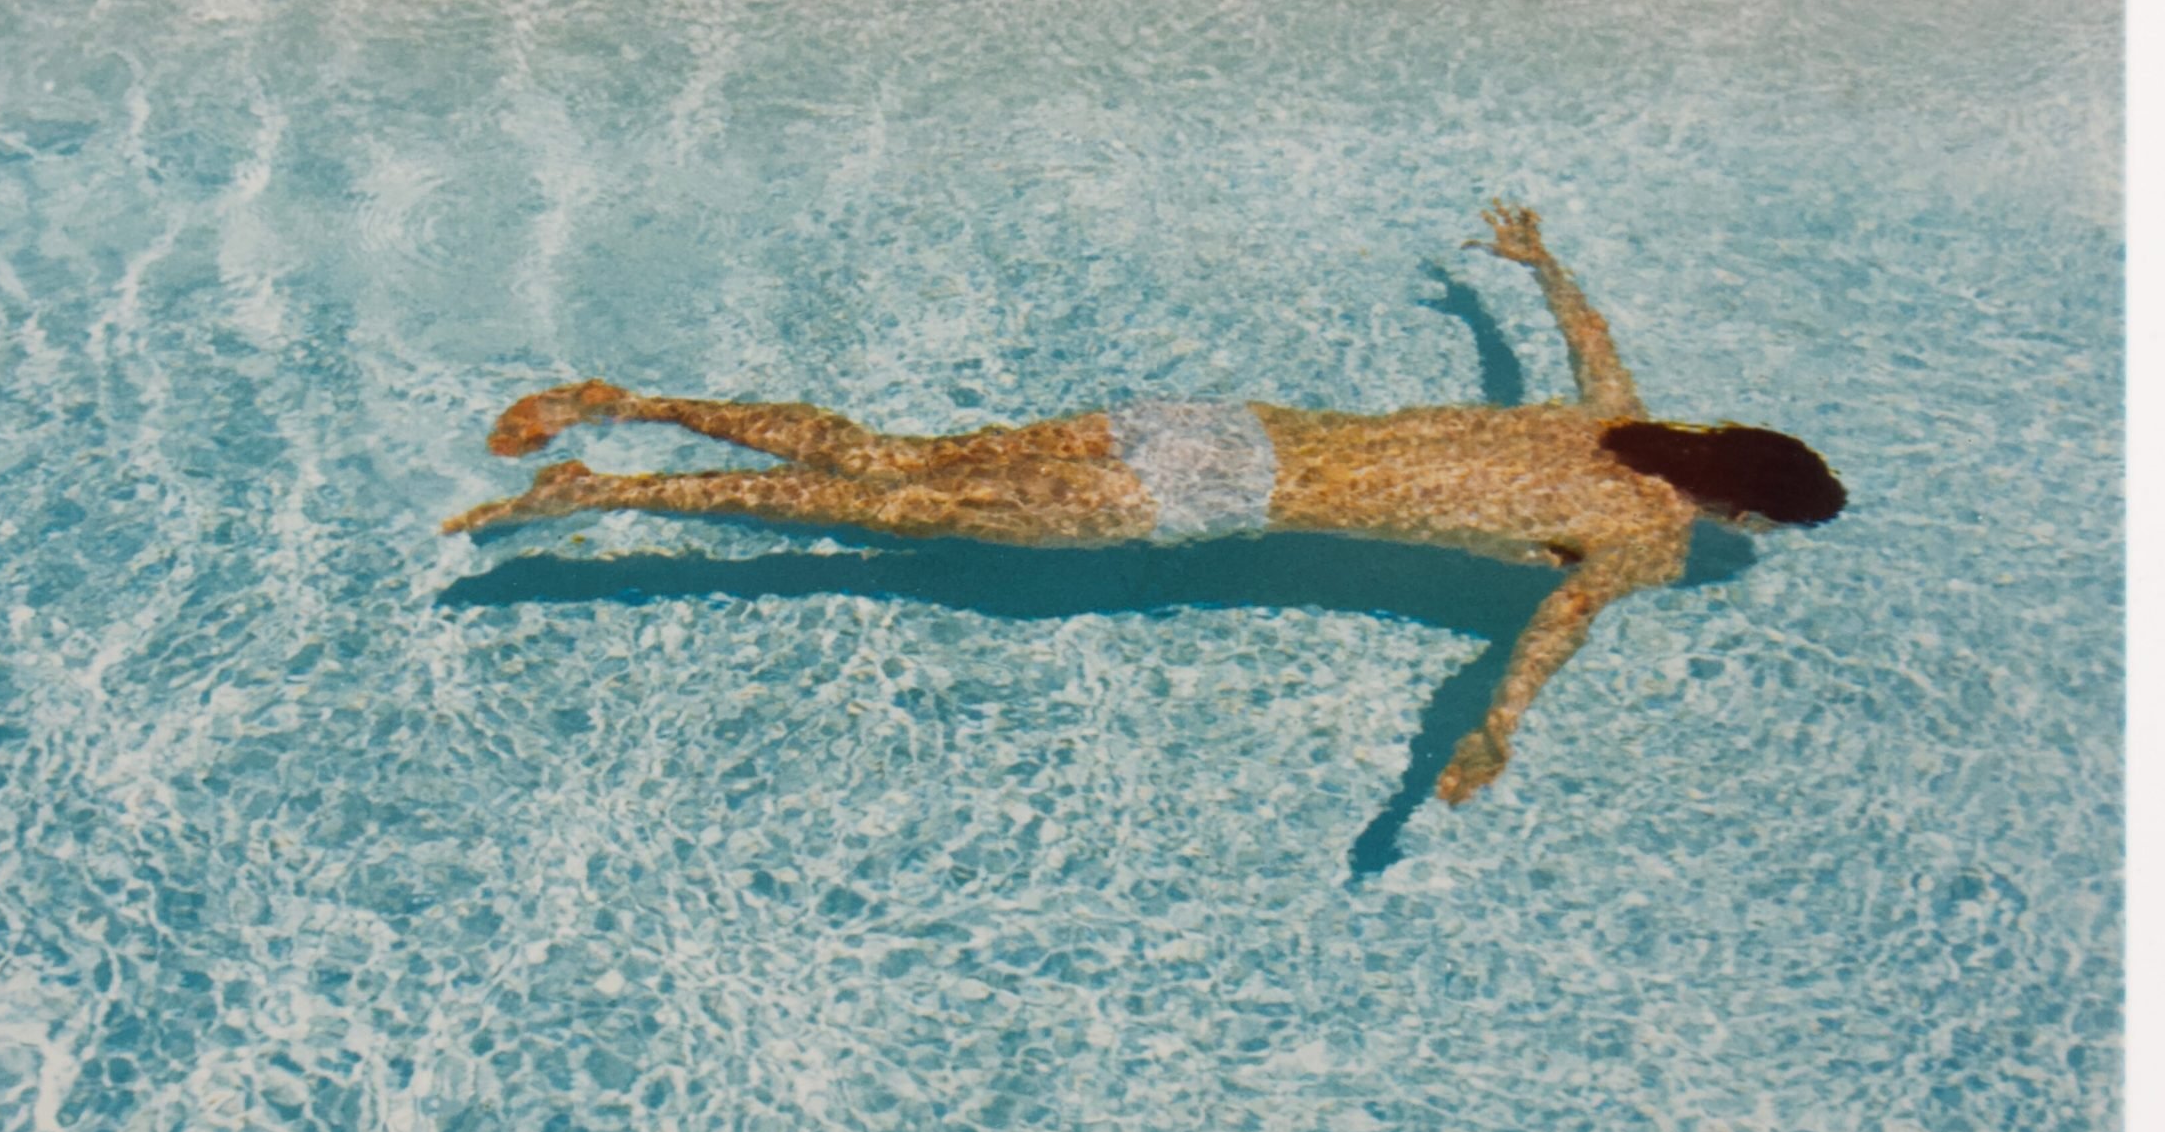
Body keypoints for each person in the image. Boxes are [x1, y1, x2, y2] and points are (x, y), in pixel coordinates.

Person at [444, 203, 1845, 803]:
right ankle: (608, 483)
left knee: (895, 455)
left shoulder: (1613, 416)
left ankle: (621, 397)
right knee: (892, 516)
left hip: (1214, 421)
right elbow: (1557, 631)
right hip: (1211, 493)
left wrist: (1532, 256)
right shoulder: (1652, 538)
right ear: (1746, 514)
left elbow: (1582, 326)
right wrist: (1497, 727)